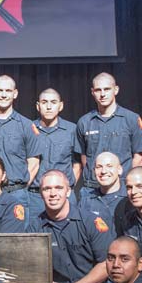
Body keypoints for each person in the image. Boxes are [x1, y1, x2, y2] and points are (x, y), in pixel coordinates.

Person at [74, 72, 142, 194]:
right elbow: (84, 157)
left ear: (116, 90)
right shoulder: (84, 122)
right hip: (92, 189)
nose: (102, 94)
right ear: (92, 92)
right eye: (98, 90)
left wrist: (127, 182)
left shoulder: (132, 119)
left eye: (107, 89)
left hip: (122, 188)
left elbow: (140, 157)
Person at [0, 75, 40, 207]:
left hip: (17, 194)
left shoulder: (26, 125)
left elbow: (34, 163)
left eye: (8, 91)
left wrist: (21, 188)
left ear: (15, 94)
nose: (4, 95)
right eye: (0, 91)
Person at [28, 88, 81, 217]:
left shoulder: (72, 130)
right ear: (38, 106)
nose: (49, 106)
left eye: (53, 102)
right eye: (44, 102)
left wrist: (67, 188)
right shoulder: (28, 129)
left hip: (64, 196)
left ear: (60, 105)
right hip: (34, 197)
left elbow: (77, 164)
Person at [78, 152, 126, 236]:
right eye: (99, 167)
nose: (103, 171)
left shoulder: (129, 199)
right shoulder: (86, 201)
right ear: (94, 171)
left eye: (109, 166)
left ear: (119, 170)